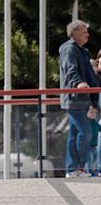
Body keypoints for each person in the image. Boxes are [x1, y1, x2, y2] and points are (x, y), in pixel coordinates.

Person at [59, 20, 99, 178]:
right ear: (74, 34)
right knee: (86, 132)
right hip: (73, 97)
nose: (87, 35)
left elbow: (89, 73)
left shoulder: (83, 50)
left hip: (83, 98)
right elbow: (70, 69)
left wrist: (93, 99)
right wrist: (78, 83)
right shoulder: (69, 49)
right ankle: (78, 167)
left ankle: (72, 169)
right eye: (84, 32)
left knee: (75, 134)